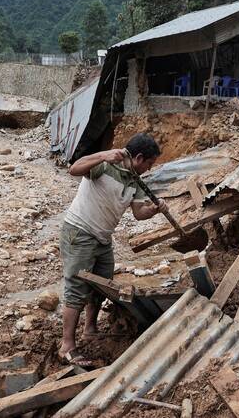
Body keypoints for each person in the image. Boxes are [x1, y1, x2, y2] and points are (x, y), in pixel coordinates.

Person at [58, 133, 167, 367]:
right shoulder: (106, 166)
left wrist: (154, 209)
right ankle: (67, 345)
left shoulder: (134, 180)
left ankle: (90, 329)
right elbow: (74, 169)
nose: (149, 169)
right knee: (76, 288)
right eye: (149, 163)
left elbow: (139, 214)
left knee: (102, 284)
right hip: (80, 232)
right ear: (139, 158)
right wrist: (102, 155)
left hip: (102, 238)